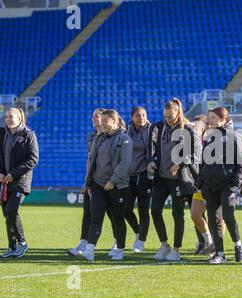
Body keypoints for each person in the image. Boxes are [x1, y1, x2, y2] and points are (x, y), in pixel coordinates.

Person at [149, 98, 201, 261]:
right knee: (155, 210)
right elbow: (156, 150)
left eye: (171, 116)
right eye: (165, 116)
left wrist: (179, 163)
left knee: (177, 214)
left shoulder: (189, 130)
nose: (168, 119)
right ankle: (164, 245)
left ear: (178, 113)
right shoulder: (160, 127)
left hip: (179, 178)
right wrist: (152, 161)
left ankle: (176, 250)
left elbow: (196, 155)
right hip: (162, 178)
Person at [78, 110, 132, 261]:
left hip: (117, 186)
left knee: (117, 219)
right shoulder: (99, 138)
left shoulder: (125, 139)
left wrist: (113, 181)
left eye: (105, 121)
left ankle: (119, 249)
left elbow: (125, 162)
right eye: (101, 121)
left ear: (114, 121)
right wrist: (89, 182)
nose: (102, 124)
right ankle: (89, 250)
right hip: (97, 185)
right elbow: (92, 159)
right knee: (96, 217)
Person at [198, 107, 242, 264]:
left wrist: (234, 185)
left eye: (213, 117)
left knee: (228, 217)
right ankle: (220, 254)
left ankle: (238, 246)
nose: (209, 120)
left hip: (227, 185)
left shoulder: (234, 136)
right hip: (210, 186)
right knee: (213, 219)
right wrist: (201, 182)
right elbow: (203, 163)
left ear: (223, 119)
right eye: (209, 117)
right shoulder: (210, 136)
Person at [68, 108, 115, 257]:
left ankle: (117, 242)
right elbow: (90, 160)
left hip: (107, 181)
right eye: (92, 115)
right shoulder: (92, 137)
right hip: (92, 181)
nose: (94, 118)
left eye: (97, 115)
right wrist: (86, 181)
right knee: (87, 212)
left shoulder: (112, 136)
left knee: (112, 214)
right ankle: (83, 243)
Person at [0, 108, 39, 258]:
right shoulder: (3, 134)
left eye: (11, 116)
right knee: (7, 214)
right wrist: (1, 172)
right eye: (6, 117)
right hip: (5, 182)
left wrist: (13, 173)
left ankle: (23, 244)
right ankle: (12, 246)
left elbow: (33, 160)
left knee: (11, 210)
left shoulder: (29, 135)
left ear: (19, 118)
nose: (8, 119)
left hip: (20, 181)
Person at [124, 107, 153, 253]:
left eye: (143, 115)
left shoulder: (152, 130)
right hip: (129, 175)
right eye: (137, 115)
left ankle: (141, 241)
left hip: (144, 175)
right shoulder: (127, 131)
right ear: (132, 117)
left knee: (143, 210)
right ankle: (137, 232)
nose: (141, 117)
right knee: (125, 209)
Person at [190, 114, 214, 255]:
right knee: (195, 215)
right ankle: (209, 241)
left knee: (216, 217)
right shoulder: (198, 140)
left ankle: (217, 246)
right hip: (200, 183)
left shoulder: (217, 138)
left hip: (214, 183)